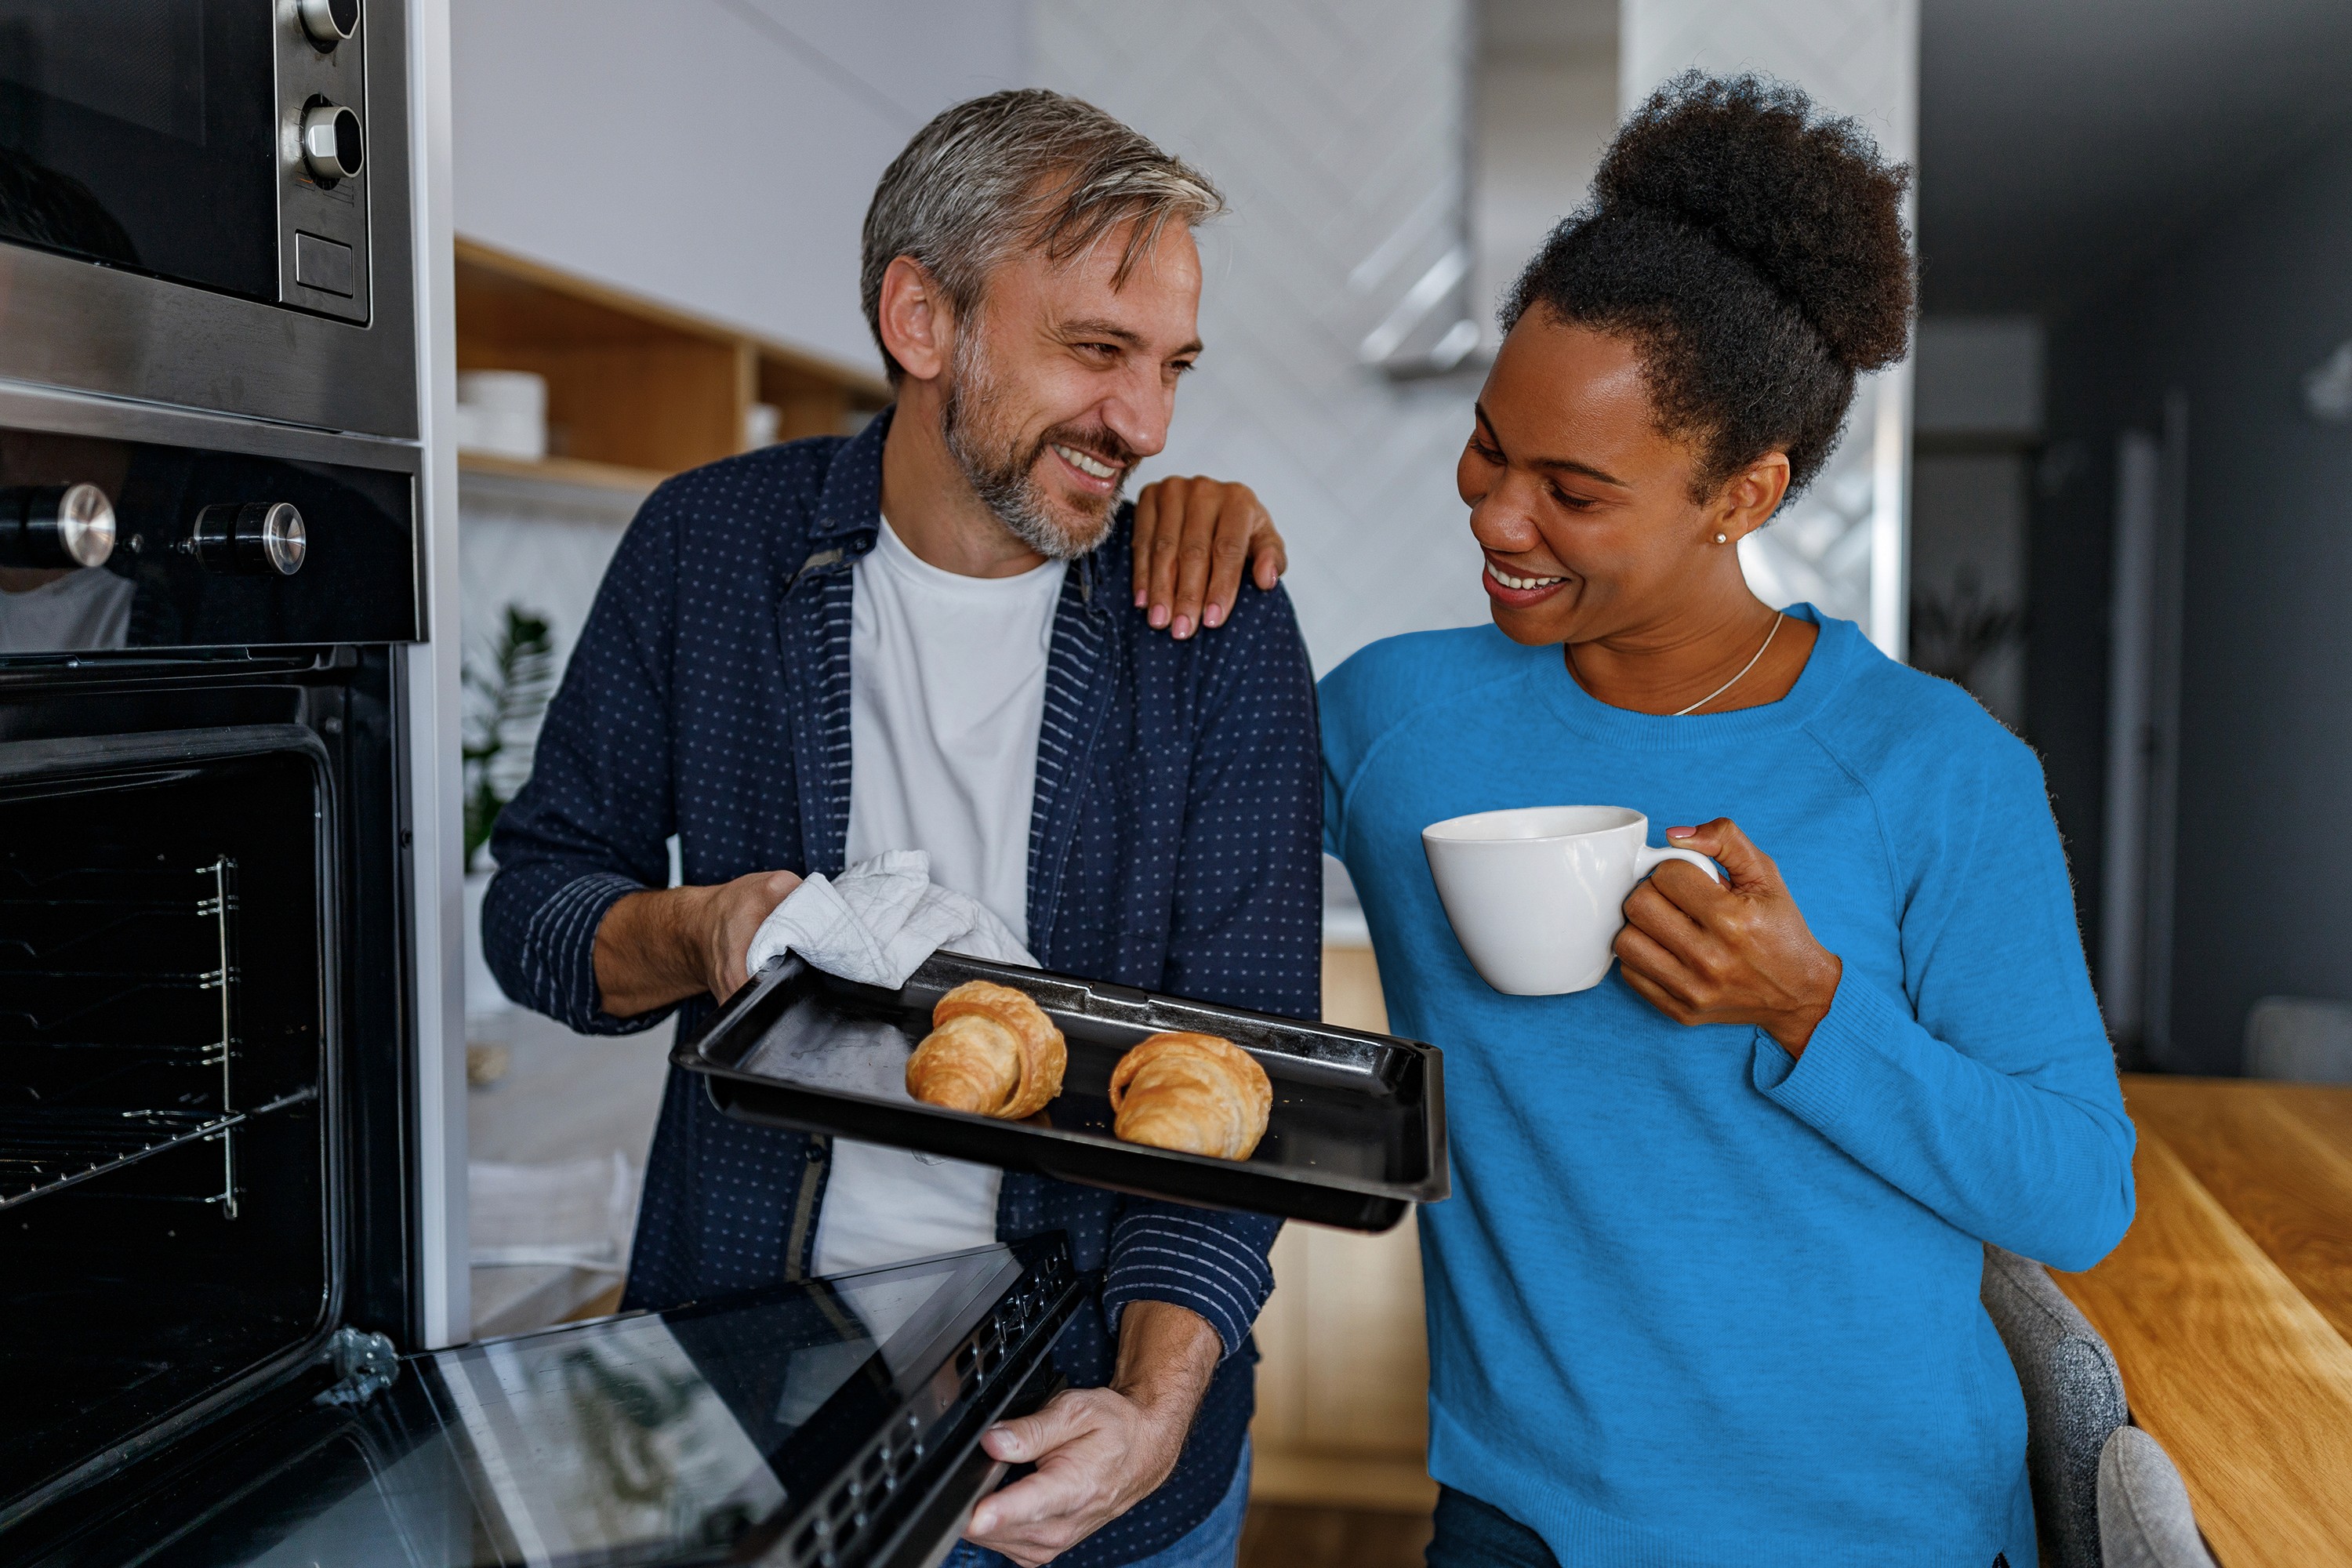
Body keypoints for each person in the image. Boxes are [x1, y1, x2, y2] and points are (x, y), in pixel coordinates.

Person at [1316, 74, 2136, 1566]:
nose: (1498, 516)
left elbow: (2077, 1192)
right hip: (1532, 1522)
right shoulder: (1394, 725)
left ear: (1742, 494)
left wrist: (1809, 1007)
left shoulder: (1938, 770)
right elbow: (1141, 827)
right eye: (1492, 447)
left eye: (1574, 490)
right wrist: (1196, 563)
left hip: (1893, 1533)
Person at [485, 90, 1304, 1568]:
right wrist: (695, 928)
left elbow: (1235, 1082)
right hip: (741, 1411)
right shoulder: (707, 548)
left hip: (1090, 1450)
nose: (1148, 423)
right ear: (923, 319)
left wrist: (1155, 1408)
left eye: (1174, 367)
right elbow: (535, 912)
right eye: (1097, 351)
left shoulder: (1206, 623)